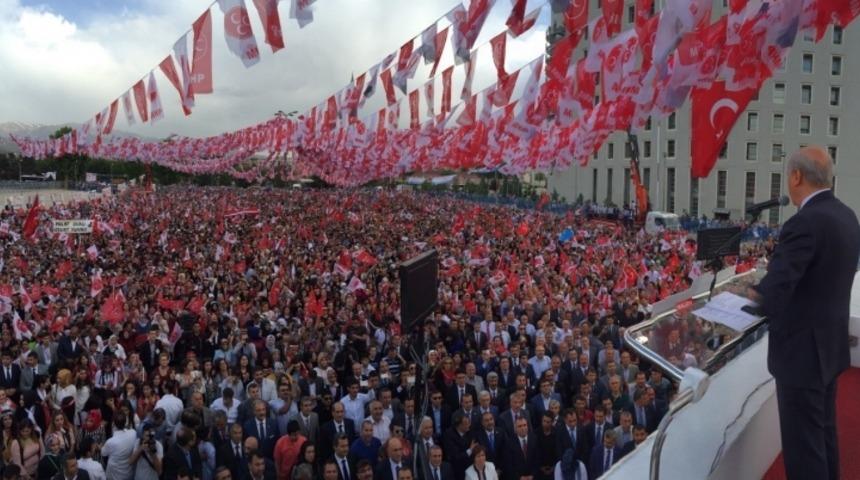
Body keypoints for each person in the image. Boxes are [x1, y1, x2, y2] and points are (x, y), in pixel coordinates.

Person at [749, 146, 860, 480]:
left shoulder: (805, 222)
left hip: (802, 356)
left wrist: (751, 293)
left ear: (796, 176)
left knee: (803, 451)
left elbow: (772, 293)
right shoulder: (847, 215)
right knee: (823, 436)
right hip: (829, 347)